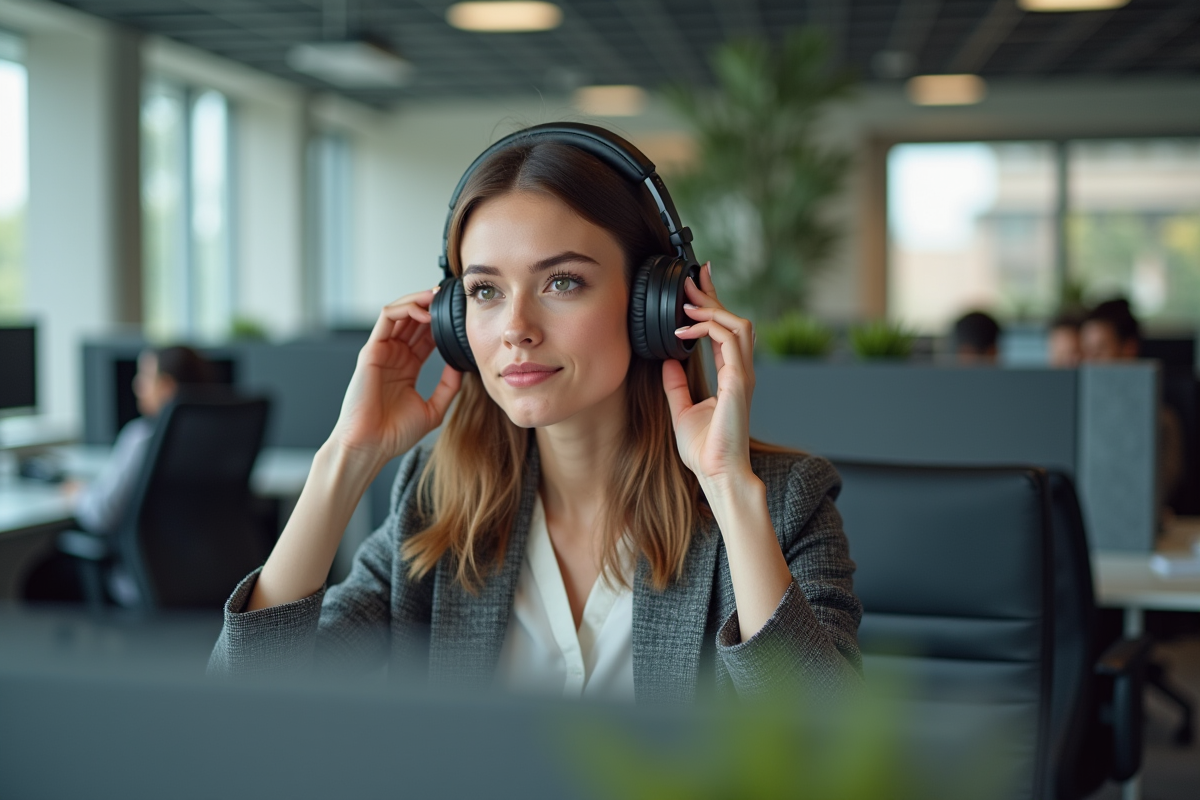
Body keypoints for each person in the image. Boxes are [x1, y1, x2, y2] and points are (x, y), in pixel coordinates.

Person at [208, 125, 862, 701]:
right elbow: (245, 697)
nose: (515, 327)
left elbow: (823, 754)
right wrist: (346, 460)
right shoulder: (439, 500)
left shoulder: (779, 503)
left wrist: (727, 489)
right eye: (485, 291)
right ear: (457, 323)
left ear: (654, 305)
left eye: (562, 282)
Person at [68, 346, 215, 604]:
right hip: (206, 574)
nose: (137, 386)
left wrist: (77, 494)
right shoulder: (215, 436)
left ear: (167, 387)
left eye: (144, 377)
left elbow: (101, 515)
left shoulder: (142, 438)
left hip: (144, 579)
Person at [1079, 298, 1184, 518]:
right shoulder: (1079, 416)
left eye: (1100, 350)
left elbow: (1148, 496)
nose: (1090, 362)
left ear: (1129, 349)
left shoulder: (1161, 420)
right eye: (1086, 351)